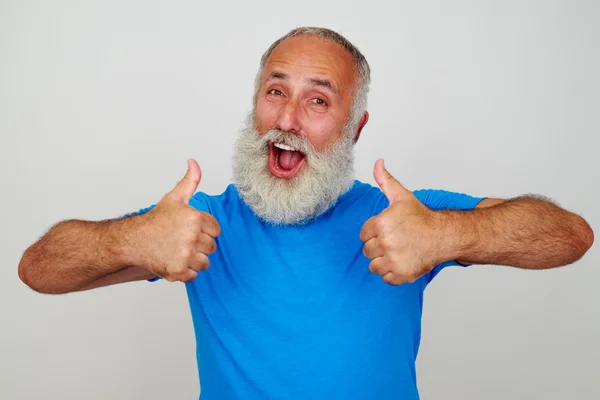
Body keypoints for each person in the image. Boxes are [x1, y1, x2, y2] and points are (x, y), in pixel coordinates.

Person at [18, 27, 594, 400]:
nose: (288, 119)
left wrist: (448, 233)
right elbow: (38, 270)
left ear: (354, 128)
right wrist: (130, 240)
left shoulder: (404, 218)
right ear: (254, 105)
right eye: (276, 92)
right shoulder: (196, 223)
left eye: (318, 100)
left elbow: (569, 236)